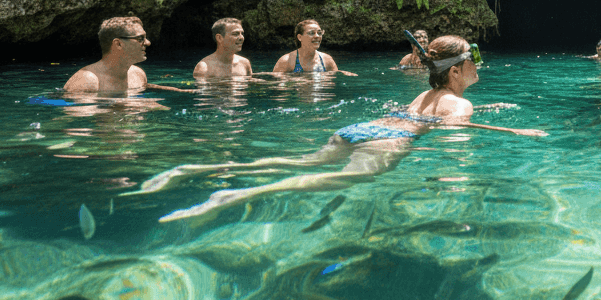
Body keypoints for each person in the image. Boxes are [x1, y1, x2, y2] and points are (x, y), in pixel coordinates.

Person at [137, 35, 546, 221]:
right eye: (474, 59)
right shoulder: (460, 102)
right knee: (336, 179)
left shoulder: (425, 95)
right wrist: (514, 133)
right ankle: (238, 194)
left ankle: (196, 170)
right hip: (391, 140)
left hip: (364, 126)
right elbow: (455, 131)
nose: (478, 65)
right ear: (456, 71)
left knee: (302, 162)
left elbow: (428, 115)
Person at [63, 17, 191, 93]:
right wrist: (134, 104)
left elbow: (142, 87)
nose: (148, 43)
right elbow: (79, 122)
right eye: (140, 38)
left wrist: (179, 91)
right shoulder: (87, 82)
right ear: (118, 44)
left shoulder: (138, 73)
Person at [272, 19, 356, 76]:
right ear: (300, 37)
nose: (317, 36)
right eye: (311, 33)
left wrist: (342, 73)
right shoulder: (286, 61)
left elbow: (334, 78)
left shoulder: (327, 60)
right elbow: (278, 86)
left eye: (319, 33)